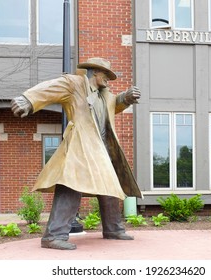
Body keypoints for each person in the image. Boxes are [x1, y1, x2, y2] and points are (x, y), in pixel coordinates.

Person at [11, 57, 142, 250]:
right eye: (106, 75)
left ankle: (113, 228)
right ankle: (53, 236)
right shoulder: (74, 84)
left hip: (101, 147)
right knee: (71, 183)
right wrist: (28, 100)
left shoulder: (103, 95)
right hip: (81, 144)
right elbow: (51, 88)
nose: (108, 79)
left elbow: (115, 104)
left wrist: (127, 97)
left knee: (110, 185)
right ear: (95, 72)